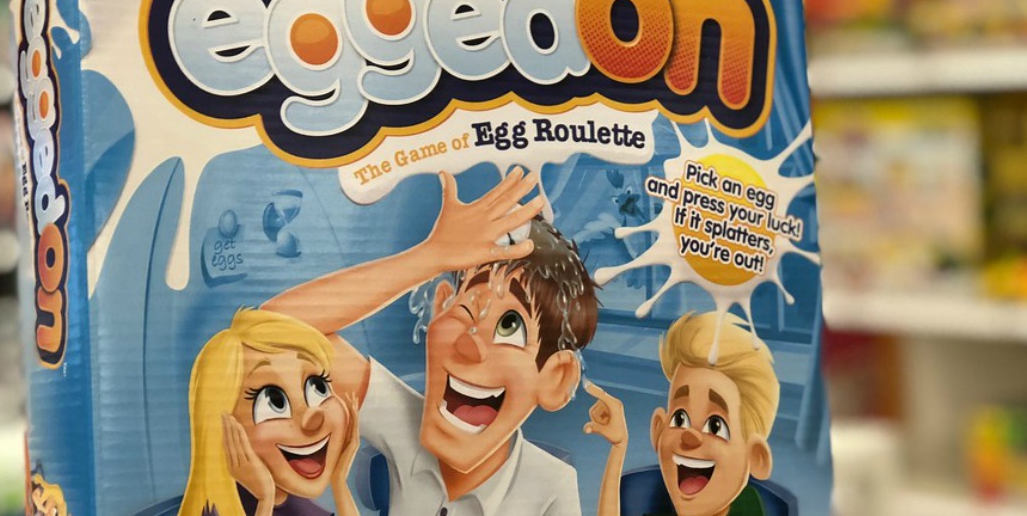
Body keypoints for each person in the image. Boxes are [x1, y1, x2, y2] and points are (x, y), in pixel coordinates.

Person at [264, 167, 625, 515]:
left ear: (556, 378)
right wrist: (430, 257)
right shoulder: (402, 422)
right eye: (466, 310)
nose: (471, 344)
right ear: (440, 308)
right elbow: (272, 329)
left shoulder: (550, 486)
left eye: (510, 327)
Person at [179, 309, 361, 516]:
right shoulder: (213, 511)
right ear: (222, 428)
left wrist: (339, 482)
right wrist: (265, 500)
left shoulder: (299, 507)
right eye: (274, 401)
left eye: (317, 386)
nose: (312, 418)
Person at [647, 312, 779, 516]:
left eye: (716, 426)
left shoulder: (747, 506)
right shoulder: (657, 500)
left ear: (755, 456)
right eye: (680, 419)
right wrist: (618, 449)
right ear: (658, 429)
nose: (690, 436)